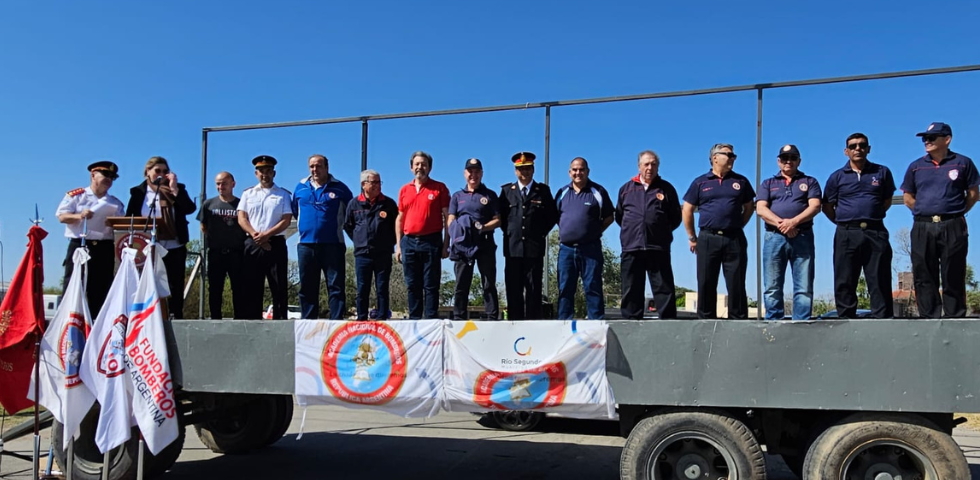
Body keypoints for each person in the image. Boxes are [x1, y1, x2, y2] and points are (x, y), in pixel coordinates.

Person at [901, 122, 980, 318]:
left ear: (947, 139)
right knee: (923, 273)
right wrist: (924, 211)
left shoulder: (963, 163)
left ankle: (955, 317)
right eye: (924, 138)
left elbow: (972, 194)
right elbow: (908, 197)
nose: (927, 142)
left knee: (953, 272)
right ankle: (929, 317)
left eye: (932, 138)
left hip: (952, 225)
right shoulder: (916, 166)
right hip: (923, 225)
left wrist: (955, 212)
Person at [822, 133, 896, 318]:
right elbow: (827, 206)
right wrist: (844, 221)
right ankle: (845, 319)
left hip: (875, 231)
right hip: (847, 233)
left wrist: (872, 215)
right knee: (844, 279)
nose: (858, 149)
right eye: (853, 146)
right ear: (846, 151)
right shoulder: (837, 177)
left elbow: (886, 200)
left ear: (868, 149)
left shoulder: (882, 172)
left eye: (862, 145)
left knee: (879, 278)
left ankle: (882, 320)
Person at [682, 144, 755, 319]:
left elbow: (749, 207)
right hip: (708, 238)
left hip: (734, 238)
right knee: (706, 282)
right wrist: (692, 237)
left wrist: (737, 225)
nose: (732, 158)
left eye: (733, 156)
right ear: (715, 157)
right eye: (728, 155)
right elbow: (687, 210)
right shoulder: (700, 182)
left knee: (736, 282)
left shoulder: (741, 181)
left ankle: (738, 321)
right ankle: (706, 321)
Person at [756, 145, 822, 320]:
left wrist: (793, 223)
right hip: (774, 238)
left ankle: (801, 321)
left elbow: (815, 206)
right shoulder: (768, 183)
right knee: (772, 286)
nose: (788, 161)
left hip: (802, 237)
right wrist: (782, 225)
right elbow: (761, 209)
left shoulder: (810, 181)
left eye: (793, 158)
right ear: (778, 161)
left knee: (804, 285)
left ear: (799, 161)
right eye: (784, 158)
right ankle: (773, 321)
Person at [126, 156, 196, 319]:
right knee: (145, 283)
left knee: (174, 284)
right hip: (145, 245)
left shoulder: (177, 189)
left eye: (165, 171)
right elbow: (129, 218)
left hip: (173, 246)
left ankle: (175, 316)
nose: (161, 174)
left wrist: (174, 190)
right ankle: (142, 317)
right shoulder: (138, 192)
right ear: (147, 172)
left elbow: (189, 208)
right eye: (157, 171)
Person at [615, 150, 681, 320]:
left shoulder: (667, 189)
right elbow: (620, 216)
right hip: (632, 246)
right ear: (639, 166)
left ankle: (668, 323)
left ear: (658, 167)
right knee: (631, 287)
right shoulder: (626, 189)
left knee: (663, 287)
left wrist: (660, 231)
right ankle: (631, 322)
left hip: (657, 247)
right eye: (646, 164)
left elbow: (675, 217)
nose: (649, 167)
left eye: (653, 164)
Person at [56, 161, 125, 317]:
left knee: (100, 290)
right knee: (73, 288)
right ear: (93, 175)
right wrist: (79, 216)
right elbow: (62, 217)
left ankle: (96, 327)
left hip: (103, 248)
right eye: (106, 175)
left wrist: (113, 223)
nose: (109, 179)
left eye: (113, 177)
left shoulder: (115, 203)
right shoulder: (76, 196)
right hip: (80, 246)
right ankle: (67, 324)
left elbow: (122, 226)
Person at [292, 154, 353, 319]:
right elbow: (295, 212)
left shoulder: (341, 189)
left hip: (333, 245)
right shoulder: (300, 187)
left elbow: (351, 215)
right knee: (307, 287)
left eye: (318, 166)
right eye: (311, 166)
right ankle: (308, 323)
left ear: (327, 167)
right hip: (306, 245)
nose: (315, 169)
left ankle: (336, 323)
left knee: (335, 286)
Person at [499, 151, 557, 320]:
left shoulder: (543, 191)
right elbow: (501, 217)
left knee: (533, 290)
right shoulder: (506, 192)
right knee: (513, 290)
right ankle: (514, 324)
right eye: (521, 169)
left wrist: (539, 233)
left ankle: (533, 325)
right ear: (516, 171)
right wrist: (510, 232)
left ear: (533, 170)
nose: (524, 173)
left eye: (527, 169)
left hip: (534, 249)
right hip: (512, 249)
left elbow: (552, 216)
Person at [555, 157, 614, 320]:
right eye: (574, 170)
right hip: (566, 250)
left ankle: (596, 325)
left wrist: (594, 232)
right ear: (569, 172)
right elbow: (557, 217)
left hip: (590, 249)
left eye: (581, 169)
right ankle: (564, 325)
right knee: (565, 288)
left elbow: (609, 217)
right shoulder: (562, 193)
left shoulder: (598, 192)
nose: (578, 173)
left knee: (592, 287)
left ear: (587, 171)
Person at [395, 151, 450, 319]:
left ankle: (431, 320)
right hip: (409, 242)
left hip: (431, 241)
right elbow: (400, 219)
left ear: (430, 168)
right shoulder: (405, 189)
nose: (420, 167)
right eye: (417, 164)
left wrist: (446, 244)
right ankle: (414, 319)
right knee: (412, 285)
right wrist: (398, 245)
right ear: (412, 168)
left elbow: (448, 217)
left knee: (431, 285)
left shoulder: (439, 188)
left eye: (424, 164)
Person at [237, 155, 293, 320]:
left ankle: (280, 322)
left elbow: (286, 219)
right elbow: (242, 218)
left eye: (268, 171)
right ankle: (252, 321)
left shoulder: (283, 194)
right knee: (251, 285)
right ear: (256, 173)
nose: (264, 175)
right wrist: (256, 236)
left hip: (274, 242)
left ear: (274, 173)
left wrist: (266, 235)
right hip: (253, 242)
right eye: (261, 171)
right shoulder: (248, 194)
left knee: (278, 285)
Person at [447, 158, 500, 320]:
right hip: (463, 245)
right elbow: (450, 219)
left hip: (484, 243)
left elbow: (498, 220)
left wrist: (482, 227)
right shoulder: (457, 196)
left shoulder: (490, 195)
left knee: (488, 283)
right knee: (461, 284)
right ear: (465, 174)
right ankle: (459, 317)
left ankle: (492, 317)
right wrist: (457, 231)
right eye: (470, 172)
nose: (473, 175)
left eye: (477, 172)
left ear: (482, 174)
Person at [344, 169, 398, 320]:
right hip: (362, 254)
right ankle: (361, 318)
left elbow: (397, 227)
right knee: (362, 288)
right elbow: (348, 226)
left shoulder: (388, 204)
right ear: (363, 184)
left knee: (382, 288)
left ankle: (382, 318)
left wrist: (389, 243)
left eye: (379, 182)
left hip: (383, 253)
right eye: (373, 182)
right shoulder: (354, 204)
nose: (377, 186)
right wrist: (359, 240)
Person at [197, 171, 247, 319]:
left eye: (224, 183)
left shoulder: (240, 204)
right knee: (214, 288)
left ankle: (240, 318)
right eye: (218, 183)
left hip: (237, 253)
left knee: (238, 288)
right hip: (216, 252)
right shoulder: (209, 204)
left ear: (233, 184)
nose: (221, 186)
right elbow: (203, 225)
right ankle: (215, 319)